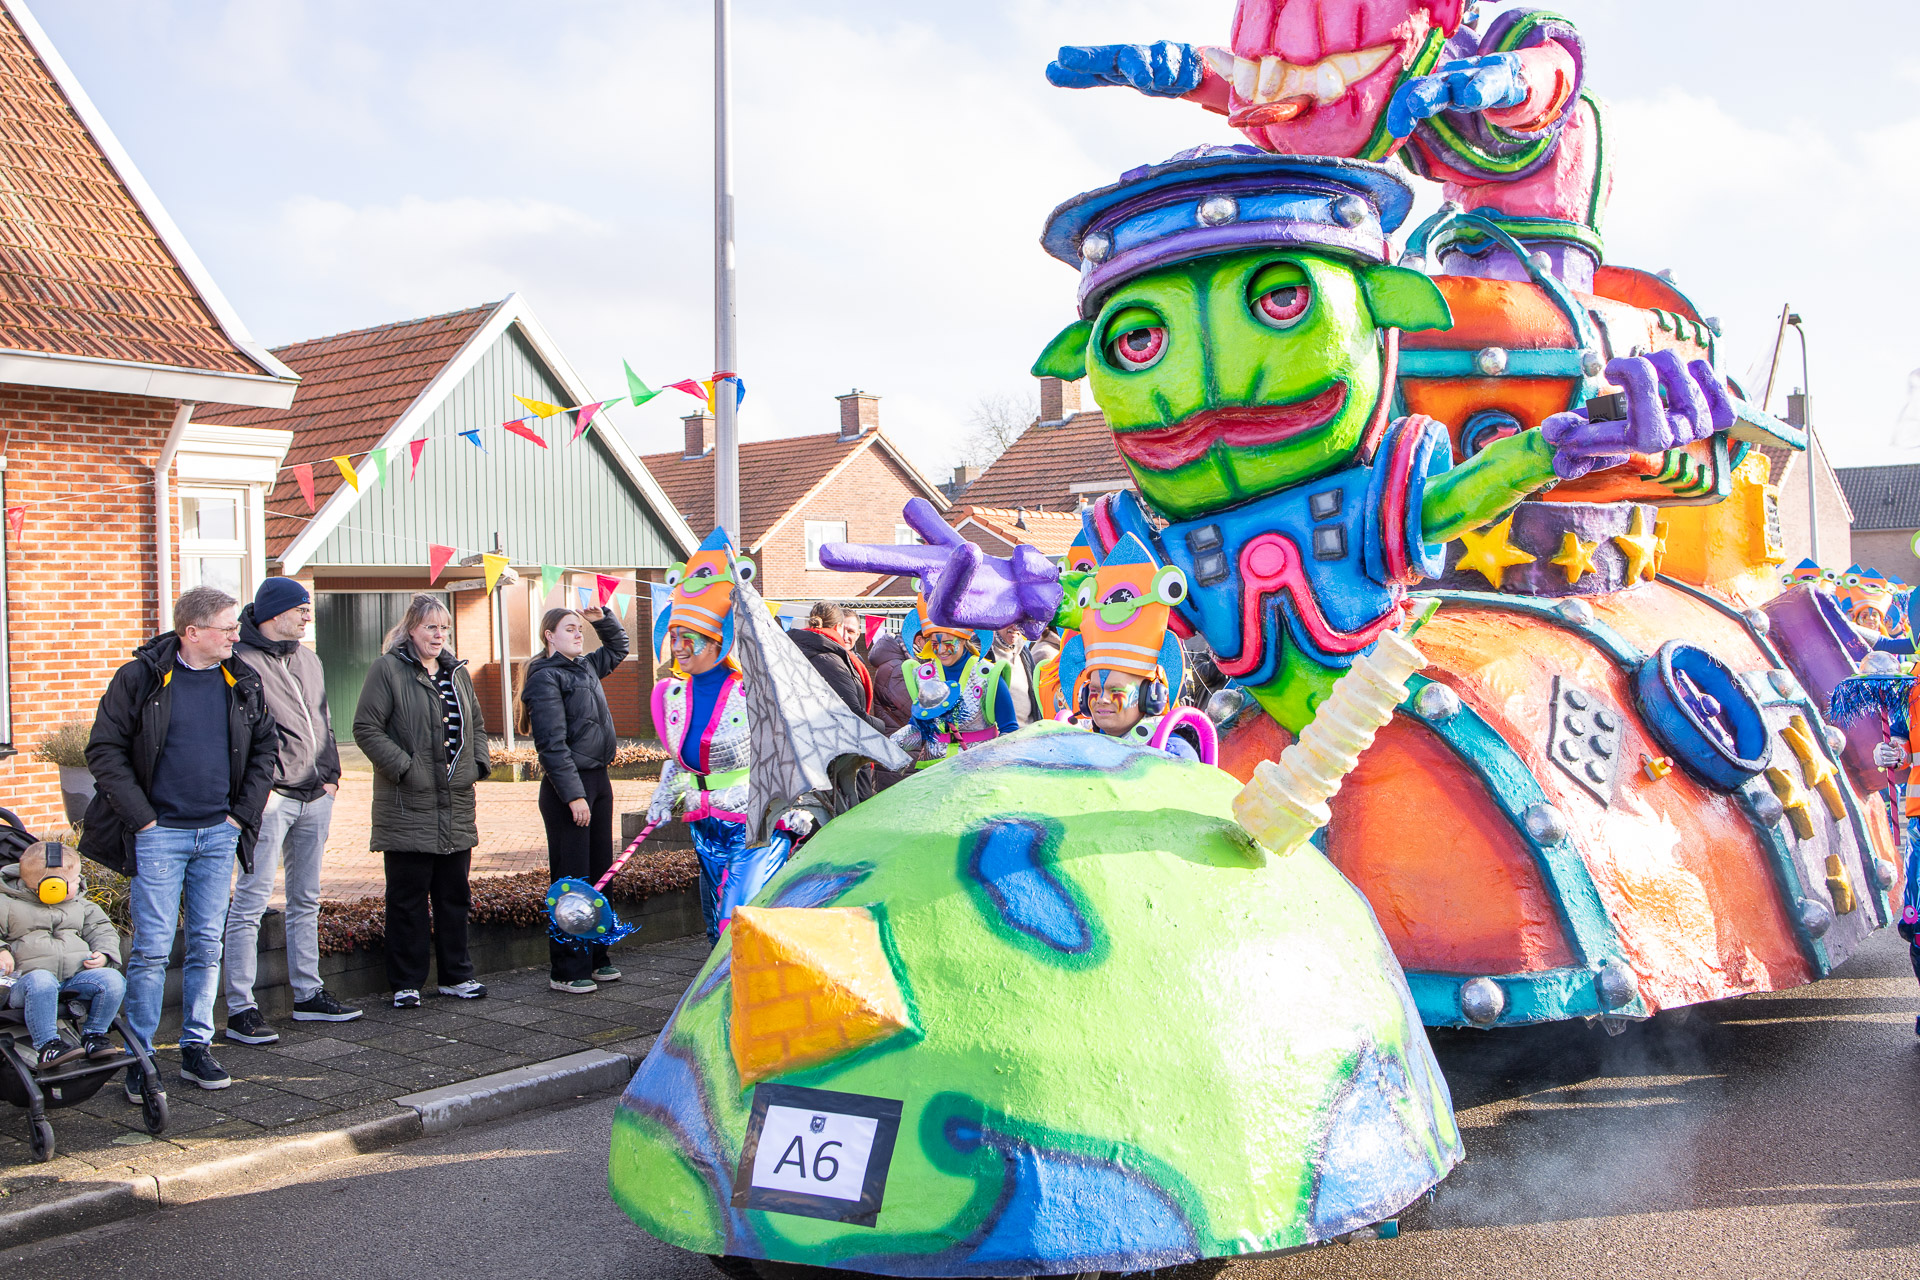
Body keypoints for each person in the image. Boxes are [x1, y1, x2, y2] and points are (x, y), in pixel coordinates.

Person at [80, 585, 278, 1098]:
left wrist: (239, 817)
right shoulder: (140, 677)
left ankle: (196, 1046)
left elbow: (265, 750)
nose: (236, 635)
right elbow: (104, 751)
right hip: (159, 836)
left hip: (219, 834)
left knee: (207, 946)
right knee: (150, 951)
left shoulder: (241, 678)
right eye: (227, 628)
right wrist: (144, 821)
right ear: (192, 632)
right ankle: (141, 1057)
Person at [222, 578, 358, 1045]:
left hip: (315, 795)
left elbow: (323, 720)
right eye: (300, 609)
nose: (307, 616)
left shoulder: (309, 659)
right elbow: (235, 734)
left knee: (306, 899)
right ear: (275, 613)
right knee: (250, 901)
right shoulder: (239, 659)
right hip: (270, 798)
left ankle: (308, 994)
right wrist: (256, 792)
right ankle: (241, 1008)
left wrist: (331, 777)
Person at [353, 594, 491, 1008]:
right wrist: (406, 768)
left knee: (454, 896)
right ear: (411, 628)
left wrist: (478, 765)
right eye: (431, 627)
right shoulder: (387, 669)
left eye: (444, 627)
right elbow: (366, 728)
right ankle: (406, 983)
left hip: (455, 804)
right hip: (406, 805)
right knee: (407, 900)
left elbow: (477, 724)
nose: (439, 634)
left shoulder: (456, 673)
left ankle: (456, 976)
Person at [647, 529, 753, 944]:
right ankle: (718, 973)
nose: (678, 647)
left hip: (749, 821)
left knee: (739, 914)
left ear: (717, 641)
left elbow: (781, 751)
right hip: (701, 820)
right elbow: (681, 762)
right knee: (713, 914)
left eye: (687, 638)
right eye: (674, 637)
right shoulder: (671, 695)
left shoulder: (751, 692)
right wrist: (662, 798)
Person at [519, 604, 629, 995]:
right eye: (570, 628)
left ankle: (597, 957)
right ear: (549, 635)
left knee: (600, 876)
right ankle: (567, 968)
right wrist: (574, 796)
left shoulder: (585, 667)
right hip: (569, 789)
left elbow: (618, 649)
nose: (578, 634)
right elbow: (551, 745)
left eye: (580, 628)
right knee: (572, 882)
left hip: (598, 781)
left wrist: (603, 620)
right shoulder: (545, 678)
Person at [0, 841, 126, 1070]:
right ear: (52, 887)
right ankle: (48, 1045)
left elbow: (102, 930)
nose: (80, 881)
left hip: (72, 980)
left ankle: (94, 1035)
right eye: (74, 879)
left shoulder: (81, 904)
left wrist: (105, 953)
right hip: (25, 985)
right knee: (42, 980)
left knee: (112, 980)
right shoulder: (5, 904)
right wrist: (2, 950)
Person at [891, 597, 1018, 767]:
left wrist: (996, 764)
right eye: (935, 643)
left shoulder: (988, 676)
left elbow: (1009, 730)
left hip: (978, 771)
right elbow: (919, 728)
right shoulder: (924, 676)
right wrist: (892, 745)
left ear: (963, 640)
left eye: (948, 643)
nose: (941, 650)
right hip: (934, 772)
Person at [791, 602, 878, 725]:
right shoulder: (831, 661)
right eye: (844, 630)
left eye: (851, 631)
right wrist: (881, 727)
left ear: (858, 634)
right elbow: (853, 713)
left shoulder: (794, 648)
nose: (845, 636)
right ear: (838, 627)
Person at [989, 624, 1043, 725]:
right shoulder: (982, 651)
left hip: (1028, 731)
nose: (1015, 627)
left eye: (1020, 622)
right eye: (1010, 620)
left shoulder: (1024, 652)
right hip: (999, 733)